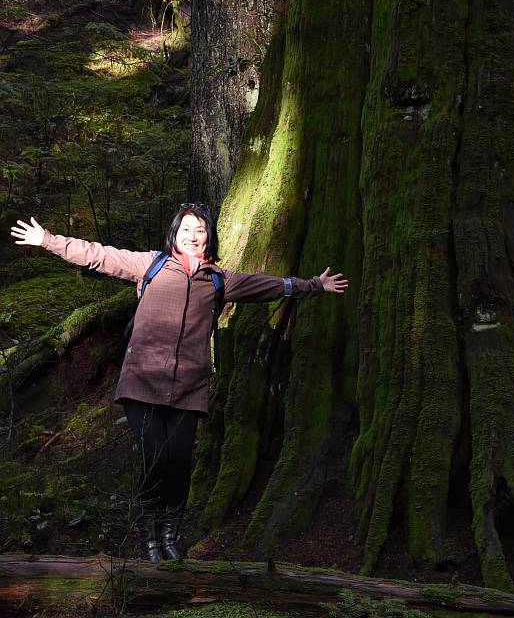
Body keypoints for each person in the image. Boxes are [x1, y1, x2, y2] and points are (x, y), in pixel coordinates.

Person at [11, 204, 348, 561]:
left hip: (188, 388)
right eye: (186, 229)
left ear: (208, 238)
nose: (192, 236)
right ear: (175, 234)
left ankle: (170, 535)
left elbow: (266, 286)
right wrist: (47, 240)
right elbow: (97, 255)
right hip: (142, 382)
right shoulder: (151, 265)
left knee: (179, 462)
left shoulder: (217, 279)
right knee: (155, 460)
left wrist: (314, 285)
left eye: (199, 231)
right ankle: (150, 537)